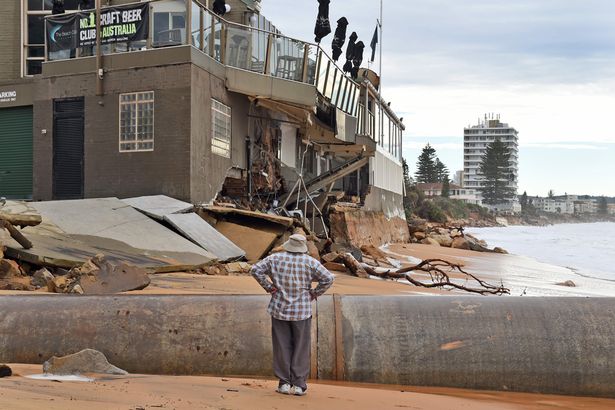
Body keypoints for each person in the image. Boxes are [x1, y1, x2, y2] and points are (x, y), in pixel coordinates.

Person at [251, 234, 334, 396]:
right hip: (302, 311)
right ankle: (299, 384)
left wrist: (268, 287)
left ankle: (283, 383)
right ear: (303, 247)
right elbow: (328, 279)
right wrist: (314, 293)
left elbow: (255, 270)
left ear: (289, 244)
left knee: (282, 346)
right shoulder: (310, 262)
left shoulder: (275, 259)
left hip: (279, 308)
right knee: (301, 347)